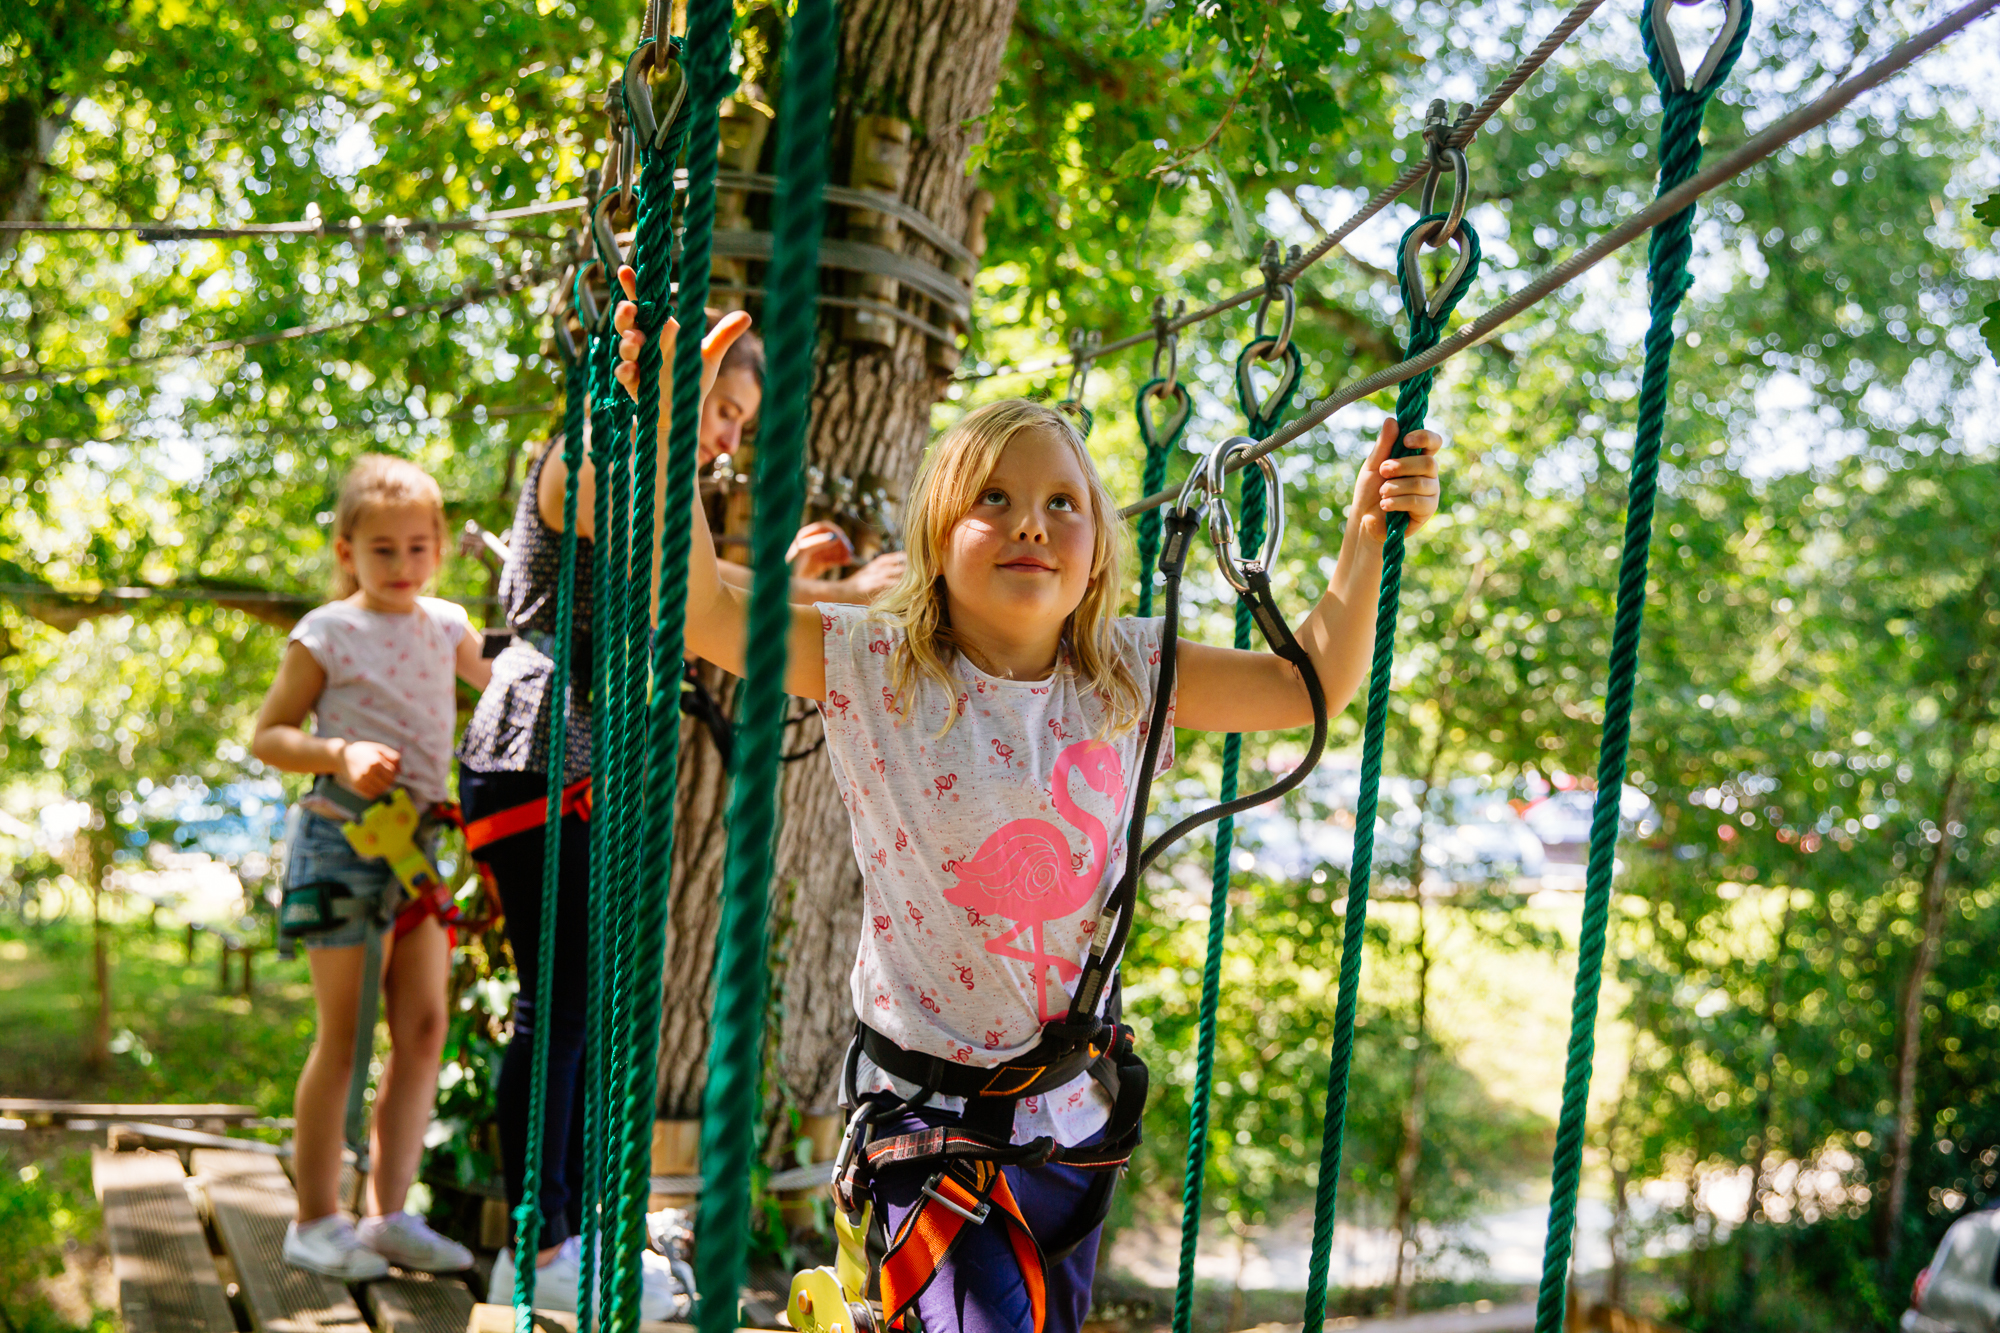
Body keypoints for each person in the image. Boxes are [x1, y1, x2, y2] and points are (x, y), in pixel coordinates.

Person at [609, 272, 1446, 1333]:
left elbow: (1306, 687)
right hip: (923, 1118)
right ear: (934, 537)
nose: (1030, 525)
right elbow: (695, 608)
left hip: (1066, 1119)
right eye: (991, 500)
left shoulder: (1127, 674)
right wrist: (669, 436)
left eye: (1061, 503)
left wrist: (1367, 533)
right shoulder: (875, 664)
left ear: (1097, 553)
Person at [462, 318, 904, 1316]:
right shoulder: (586, 454)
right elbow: (665, 570)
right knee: (560, 1009)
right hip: (541, 749)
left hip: (576, 759)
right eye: (723, 412)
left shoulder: (646, 482)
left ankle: (562, 1232)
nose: (727, 444)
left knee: (581, 1009)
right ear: (675, 389)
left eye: (740, 425)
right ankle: (538, 1243)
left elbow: (697, 595)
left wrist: (815, 590)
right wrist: (827, 591)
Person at [252, 456, 492, 1278]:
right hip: (344, 840)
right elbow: (269, 734)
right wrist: (339, 750)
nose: (402, 565)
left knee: (423, 1026)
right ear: (346, 549)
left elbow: (504, 685)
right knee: (348, 1035)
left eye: (419, 547)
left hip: (417, 847)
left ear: (439, 551)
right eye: (382, 549)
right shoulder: (326, 631)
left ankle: (388, 1212)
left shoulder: (446, 624)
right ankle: (316, 1220)